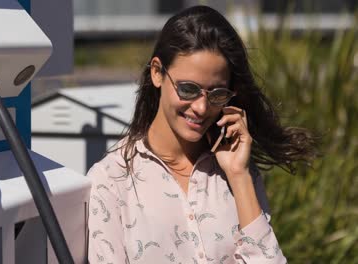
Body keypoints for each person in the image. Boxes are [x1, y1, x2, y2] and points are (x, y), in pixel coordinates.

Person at [87, 5, 316, 264]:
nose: (201, 107)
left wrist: (239, 175)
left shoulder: (236, 172)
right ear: (157, 73)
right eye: (188, 89)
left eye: (217, 93)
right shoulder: (110, 180)